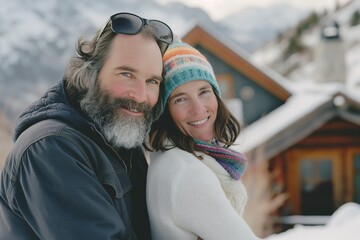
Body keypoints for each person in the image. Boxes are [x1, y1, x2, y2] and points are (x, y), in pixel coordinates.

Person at [0, 12, 173, 239]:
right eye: (126, 74)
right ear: (90, 74)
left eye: (152, 81)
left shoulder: (118, 137)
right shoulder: (51, 148)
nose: (141, 96)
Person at [146, 39, 261, 240]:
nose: (198, 109)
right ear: (165, 111)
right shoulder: (188, 173)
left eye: (204, 92)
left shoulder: (168, 157)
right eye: (180, 99)